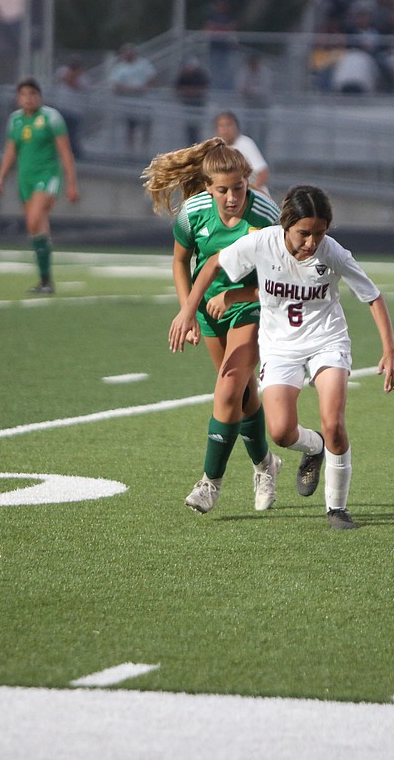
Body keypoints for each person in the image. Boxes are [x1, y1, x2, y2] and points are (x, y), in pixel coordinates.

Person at [169, 184, 394, 530]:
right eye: (303, 234)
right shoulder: (262, 242)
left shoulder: (333, 253)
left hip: (327, 341)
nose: (311, 243)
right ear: (286, 225)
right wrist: (188, 309)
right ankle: (314, 448)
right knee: (280, 432)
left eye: (319, 233)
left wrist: (391, 351)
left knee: (334, 422)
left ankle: (336, 509)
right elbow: (213, 265)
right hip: (280, 347)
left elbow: (372, 295)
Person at [141, 138, 282, 515]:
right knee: (242, 392)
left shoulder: (266, 215)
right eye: (223, 190)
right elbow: (180, 262)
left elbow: (281, 275)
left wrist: (239, 297)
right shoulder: (194, 212)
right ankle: (266, 465)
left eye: (239, 187)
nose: (233, 197)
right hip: (208, 309)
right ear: (208, 187)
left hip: (251, 305)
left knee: (228, 388)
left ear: (247, 181)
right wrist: (187, 311)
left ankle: (209, 483)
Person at [0, 78, 79, 295]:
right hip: (26, 179)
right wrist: (1, 176)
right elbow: (11, 150)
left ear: (39, 96)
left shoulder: (51, 118)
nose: (28, 99)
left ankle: (46, 279)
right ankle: (46, 280)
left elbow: (65, 152)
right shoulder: (15, 121)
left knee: (33, 219)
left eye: (33, 94)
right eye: (24, 95)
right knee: (36, 227)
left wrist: (71, 183)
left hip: (47, 175)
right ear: (18, 98)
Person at [107, 44, 157, 154]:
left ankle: (145, 148)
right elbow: (115, 84)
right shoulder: (120, 67)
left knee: (146, 125)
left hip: (144, 101)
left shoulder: (143, 64)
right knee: (130, 126)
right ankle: (130, 149)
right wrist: (129, 89)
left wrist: (143, 87)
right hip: (128, 102)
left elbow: (152, 77)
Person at [214, 110, 269, 194]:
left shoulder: (246, 143)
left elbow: (263, 173)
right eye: (221, 126)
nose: (225, 129)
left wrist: (251, 193)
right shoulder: (215, 148)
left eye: (228, 125)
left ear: (236, 127)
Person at [52, 57, 90, 159]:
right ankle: (59, 153)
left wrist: (76, 75)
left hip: (75, 111)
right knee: (60, 132)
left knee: (72, 134)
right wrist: (72, 74)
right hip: (62, 108)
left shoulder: (84, 78)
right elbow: (65, 79)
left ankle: (76, 155)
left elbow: (75, 85)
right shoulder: (63, 70)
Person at [174, 57, 210, 145]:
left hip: (198, 104)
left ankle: (197, 143)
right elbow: (177, 87)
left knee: (197, 125)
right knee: (189, 126)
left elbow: (203, 88)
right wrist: (187, 91)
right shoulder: (183, 75)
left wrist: (192, 91)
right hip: (187, 104)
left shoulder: (200, 75)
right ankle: (190, 144)